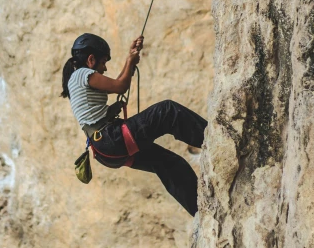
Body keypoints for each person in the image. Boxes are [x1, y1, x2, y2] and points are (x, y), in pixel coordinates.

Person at [61, 33, 207, 216]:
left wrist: (130, 59)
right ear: (91, 59)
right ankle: (214, 138)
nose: (104, 68)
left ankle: (201, 212)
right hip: (112, 138)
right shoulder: (84, 74)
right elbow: (120, 86)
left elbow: (118, 82)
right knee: (168, 111)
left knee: (170, 164)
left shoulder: (75, 79)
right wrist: (130, 60)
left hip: (104, 150)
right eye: (103, 62)